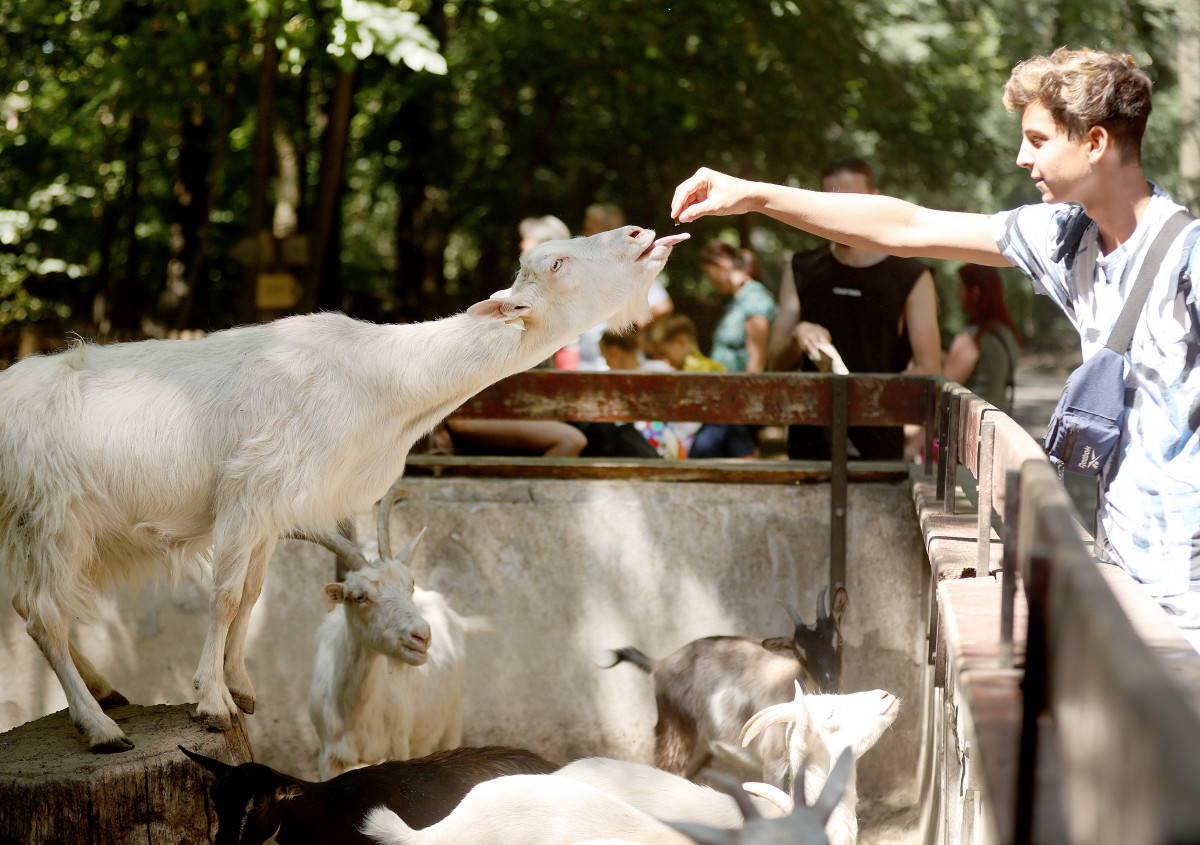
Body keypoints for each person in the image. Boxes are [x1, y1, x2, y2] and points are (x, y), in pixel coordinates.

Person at [670, 47, 1200, 624]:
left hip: (1187, 585)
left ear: (1095, 143)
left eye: (1038, 140)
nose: (1022, 157)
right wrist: (754, 195)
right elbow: (908, 226)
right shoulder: (1067, 238)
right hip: (1121, 572)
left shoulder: (1186, 257)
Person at [766, 157, 941, 461]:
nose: (839, 212)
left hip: (878, 445)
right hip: (809, 447)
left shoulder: (911, 275)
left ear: (875, 200)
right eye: (830, 202)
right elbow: (774, 366)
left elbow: (929, 369)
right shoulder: (801, 267)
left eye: (850, 201)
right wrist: (797, 336)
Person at [439, 214, 586, 458]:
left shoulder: (538, 306)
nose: (520, 246)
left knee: (571, 439)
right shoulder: (513, 301)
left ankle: (528, 494)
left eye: (526, 241)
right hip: (470, 414)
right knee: (571, 439)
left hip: (499, 412)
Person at [687, 240, 777, 458]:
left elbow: (757, 361)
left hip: (737, 405)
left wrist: (744, 412)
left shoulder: (753, 298)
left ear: (723, 264)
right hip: (724, 403)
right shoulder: (736, 300)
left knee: (705, 455)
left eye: (710, 273)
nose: (711, 281)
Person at [574, 203, 675, 370]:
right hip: (587, 368)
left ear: (609, 232)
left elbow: (663, 305)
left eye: (590, 229)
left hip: (619, 368)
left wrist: (629, 326)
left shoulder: (629, 267)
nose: (585, 235)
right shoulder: (585, 268)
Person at [944, 264, 1023, 412]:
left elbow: (944, 390)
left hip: (971, 428)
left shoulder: (972, 338)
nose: (957, 293)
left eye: (961, 287)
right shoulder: (1008, 334)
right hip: (998, 422)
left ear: (975, 293)